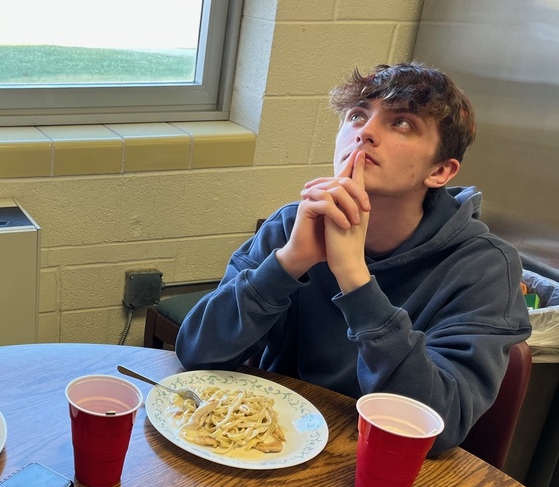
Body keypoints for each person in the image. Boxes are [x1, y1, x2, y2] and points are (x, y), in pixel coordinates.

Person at [175, 62, 531, 453]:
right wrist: (290, 260)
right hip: (274, 445)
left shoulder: (485, 265)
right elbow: (197, 353)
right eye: (357, 115)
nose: (366, 131)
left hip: (384, 467)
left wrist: (354, 278)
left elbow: (439, 425)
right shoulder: (293, 225)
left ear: (441, 171)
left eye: (402, 123)